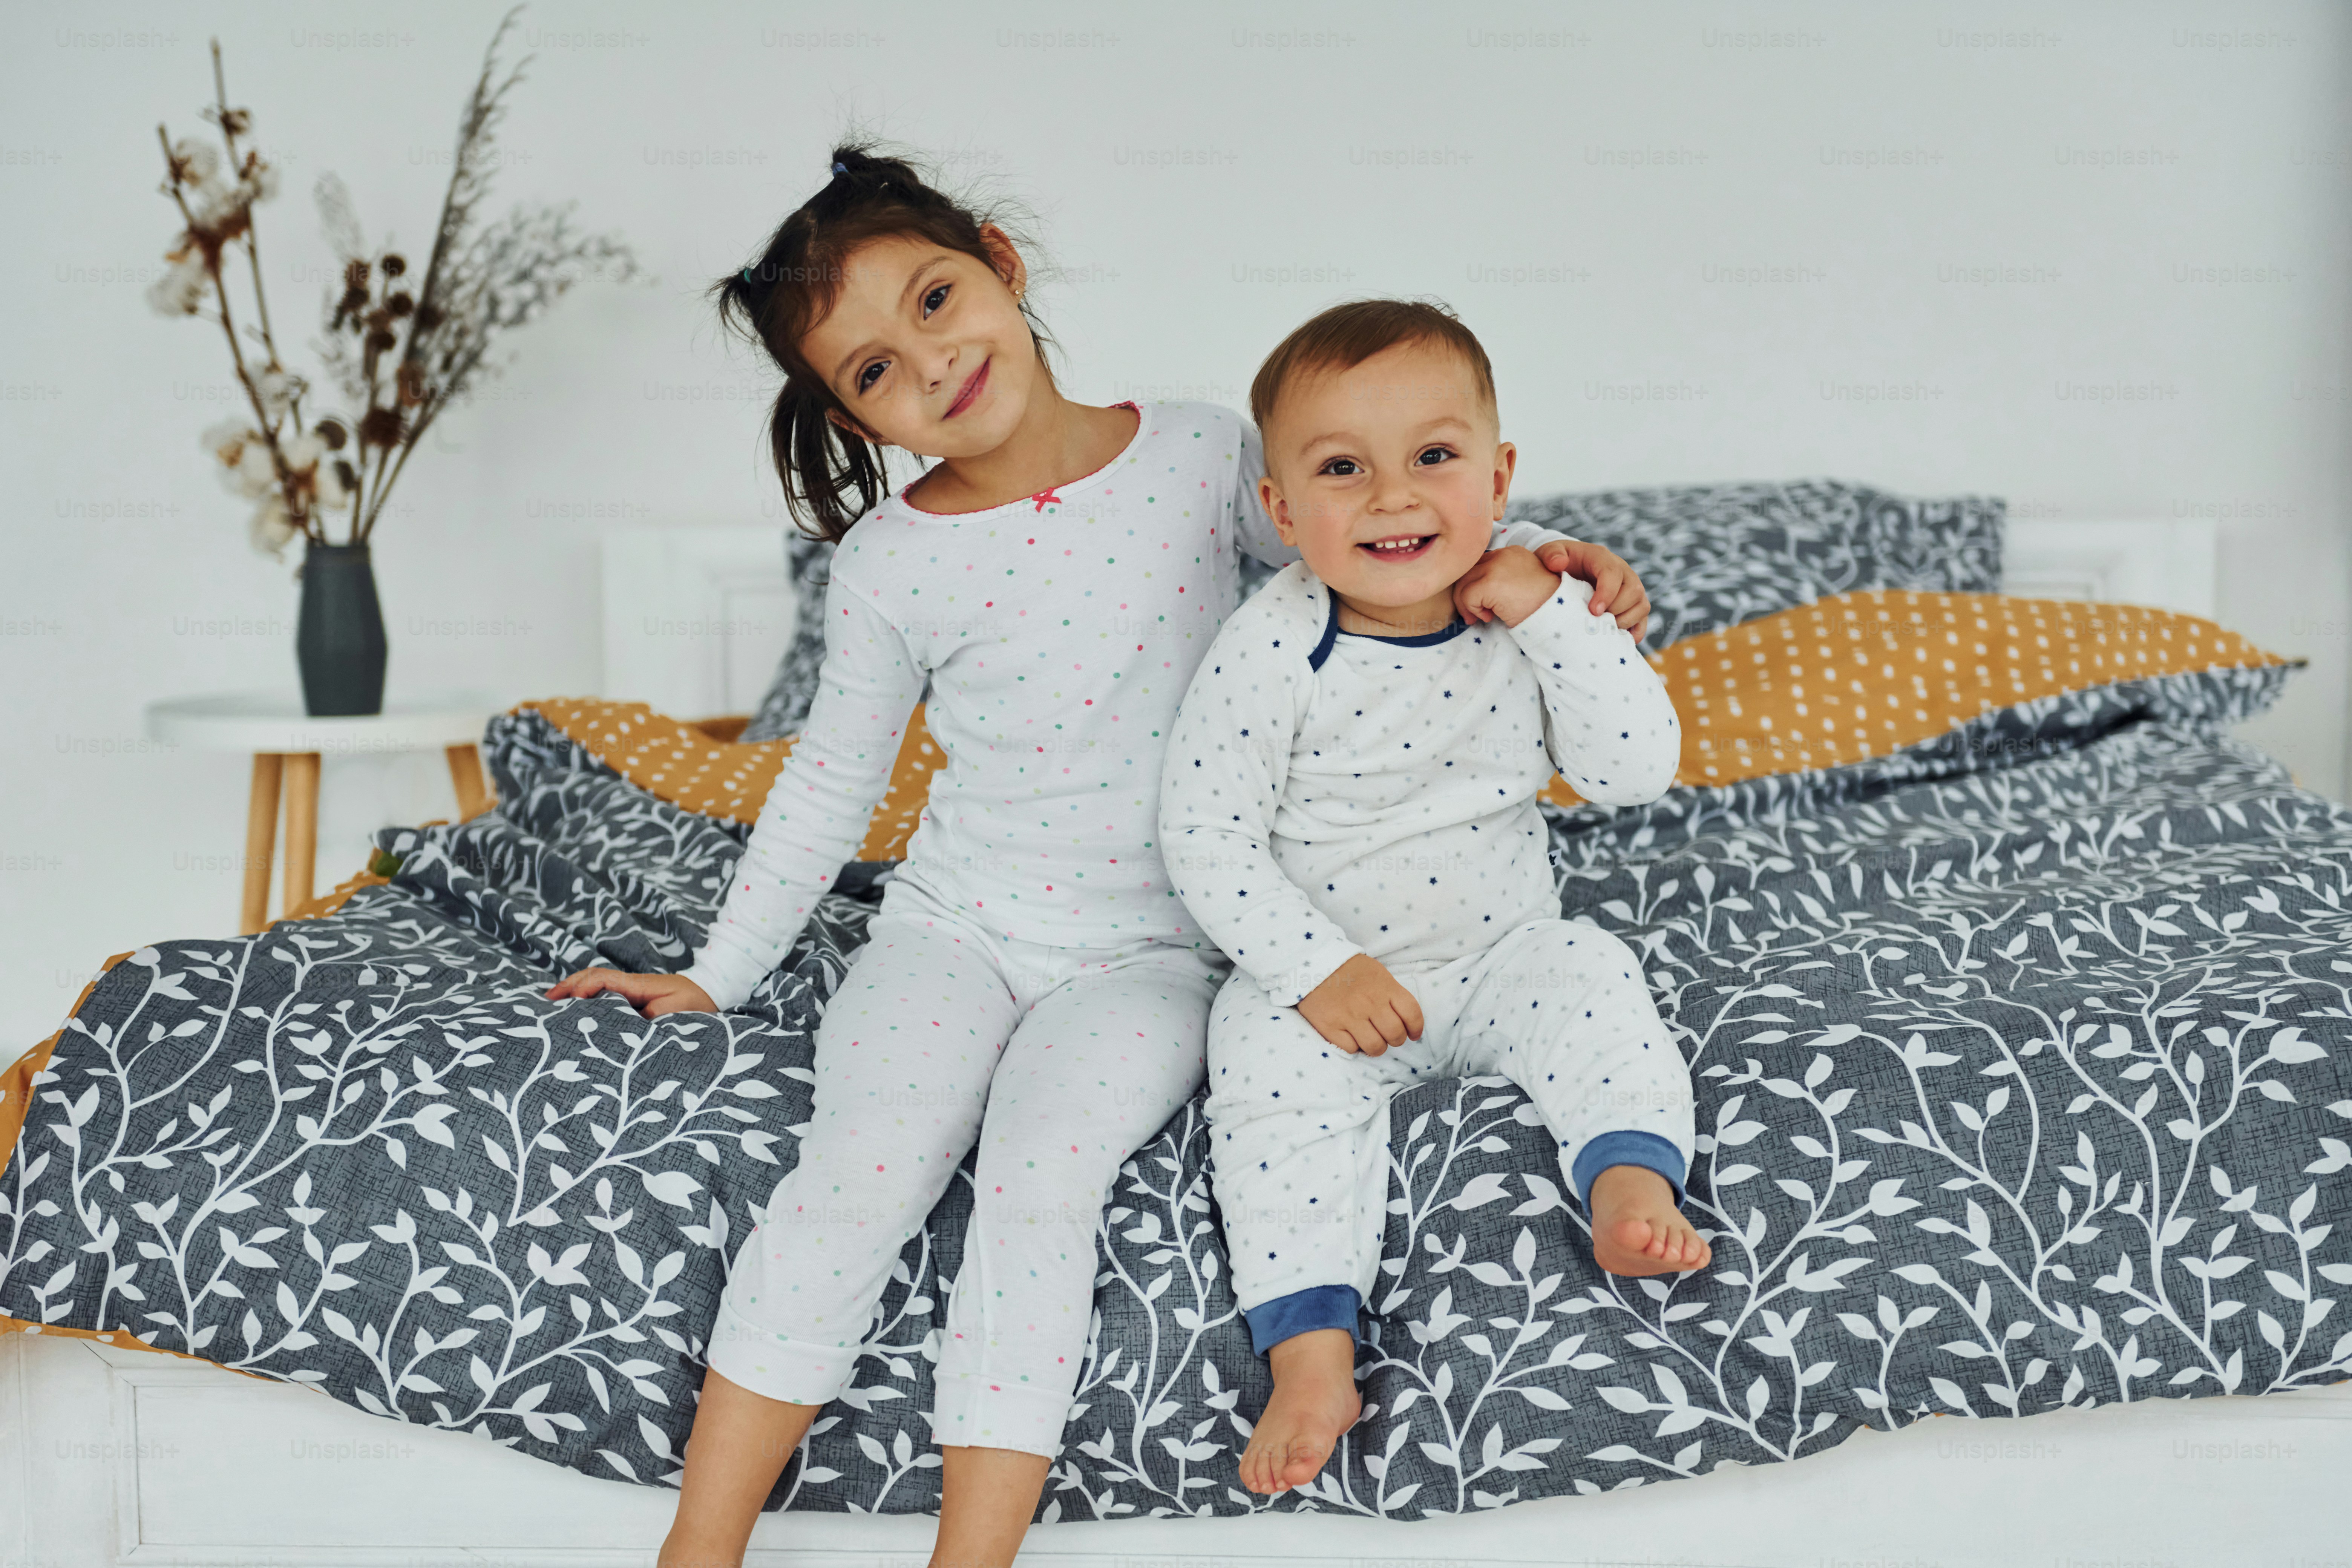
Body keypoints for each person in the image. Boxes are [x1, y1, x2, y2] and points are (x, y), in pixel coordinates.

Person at [546, 149, 1651, 1568]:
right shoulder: (891, 562)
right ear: (852, 418)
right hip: (952, 926)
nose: (933, 364)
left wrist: (1554, 558)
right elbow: (830, 787)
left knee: (1037, 1180)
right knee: (861, 1164)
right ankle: (696, 1549)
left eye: (938, 300)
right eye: (875, 371)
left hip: (1156, 954)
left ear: (1003, 265)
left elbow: (1374, 521)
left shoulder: (1199, 455)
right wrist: (715, 977)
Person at [1158, 297, 1710, 1502]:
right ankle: (1313, 1357)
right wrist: (1314, 969)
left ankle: (1627, 1181)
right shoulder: (1269, 649)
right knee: (1257, 1071)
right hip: (1337, 989)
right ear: (1281, 510)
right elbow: (1204, 836)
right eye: (1343, 469)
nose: (1396, 498)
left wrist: (1561, 620)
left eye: (1435, 458)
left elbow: (1634, 772)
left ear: (1499, 473)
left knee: (1596, 975)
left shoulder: (1535, 593)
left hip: (1502, 950)